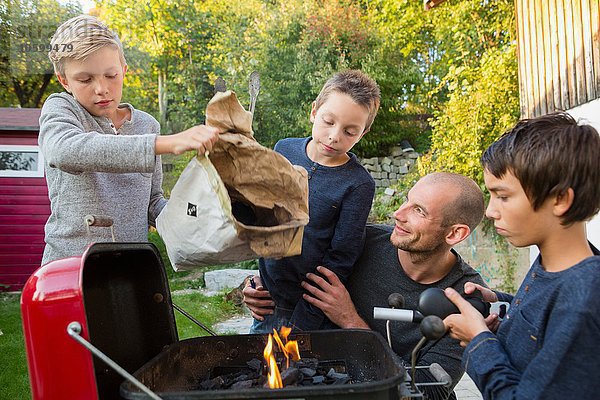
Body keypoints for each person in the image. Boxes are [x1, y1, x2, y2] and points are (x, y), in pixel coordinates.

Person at [245, 172, 490, 399]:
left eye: (418, 211)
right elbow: (290, 274)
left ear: (455, 234)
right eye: (407, 200)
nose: (398, 214)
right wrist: (258, 288)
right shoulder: (359, 243)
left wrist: (351, 321)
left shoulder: (467, 298)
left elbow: (430, 392)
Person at [443, 113, 600, 399]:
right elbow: (547, 325)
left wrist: (478, 342)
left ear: (560, 200)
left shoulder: (584, 301)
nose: (490, 212)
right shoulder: (556, 268)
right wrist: (501, 304)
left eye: (502, 196)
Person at [39, 15, 219, 265]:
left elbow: (153, 203)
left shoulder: (147, 125)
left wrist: (197, 213)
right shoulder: (61, 109)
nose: (101, 88)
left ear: (123, 70)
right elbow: (65, 150)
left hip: (133, 268)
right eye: (85, 79)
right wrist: (163, 143)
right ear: (64, 80)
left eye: (110, 75)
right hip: (70, 268)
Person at [249, 70, 380, 333]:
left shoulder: (359, 184)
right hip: (267, 303)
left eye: (349, 131)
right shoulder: (283, 149)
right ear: (313, 111)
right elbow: (264, 219)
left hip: (309, 313)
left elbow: (341, 257)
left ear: (363, 133)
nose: (334, 136)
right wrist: (256, 280)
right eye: (328, 121)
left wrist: (304, 322)